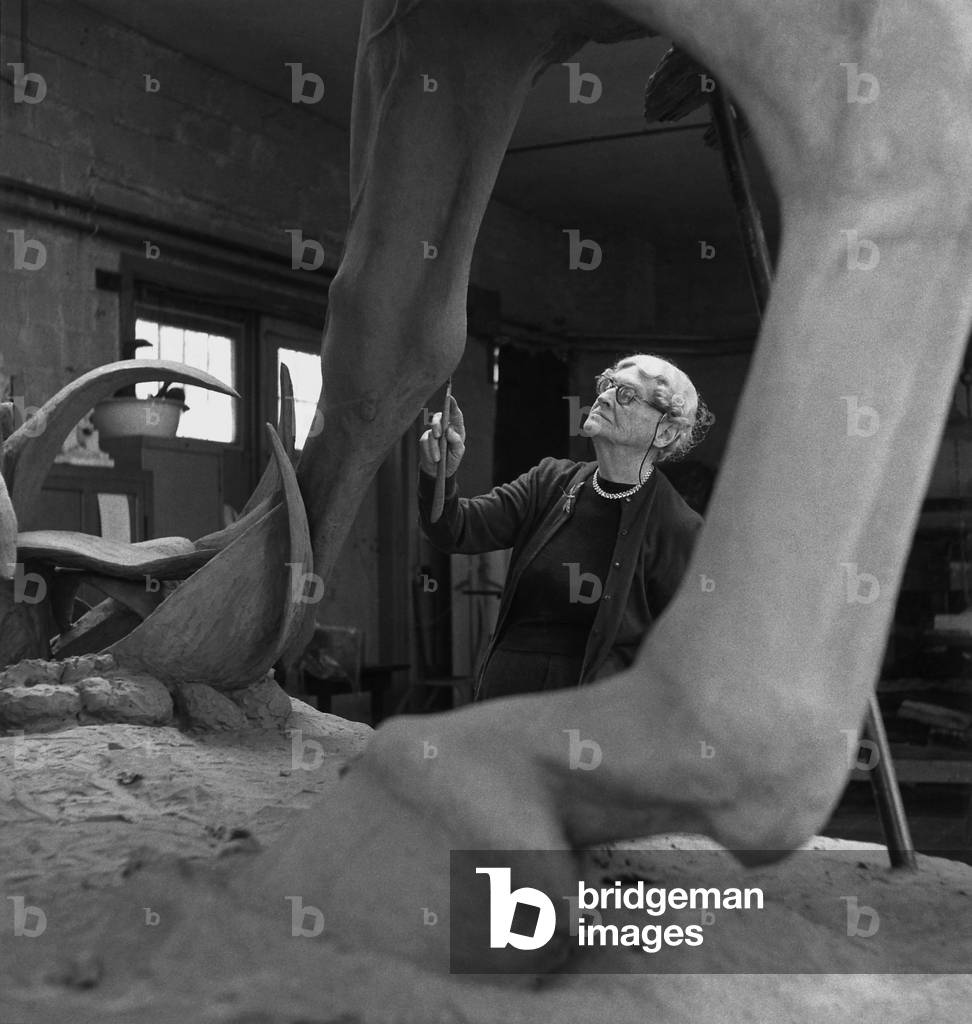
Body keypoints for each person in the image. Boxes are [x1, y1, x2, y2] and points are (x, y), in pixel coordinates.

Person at [418, 353, 713, 701]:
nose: (604, 396)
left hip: (593, 714)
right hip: (507, 699)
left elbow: (685, 652)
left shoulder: (678, 527)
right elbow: (455, 530)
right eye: (608, 384)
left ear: (664, 432)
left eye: (627, 394)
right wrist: (438, 475)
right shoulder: (549, 482)